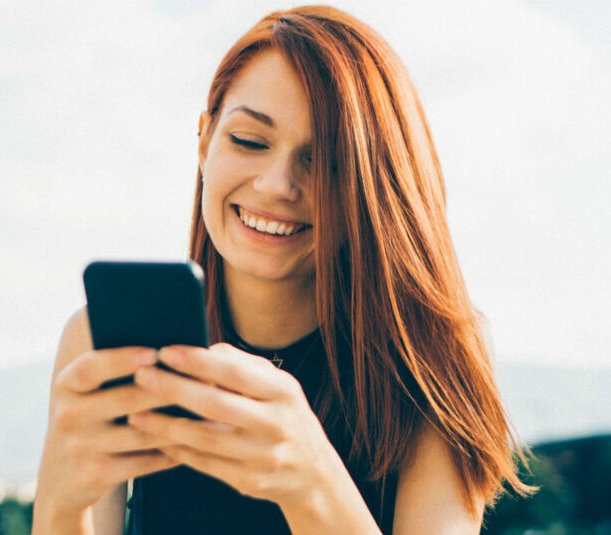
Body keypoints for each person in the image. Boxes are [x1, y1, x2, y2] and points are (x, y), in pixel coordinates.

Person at [32, 5, 532, 534]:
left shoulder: (433, 349)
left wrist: (311, 482)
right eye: (249, 141)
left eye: (326, 160)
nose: (276, 185)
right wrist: (62, 501)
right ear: (204, 141)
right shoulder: (101, 341)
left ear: (372, 183)